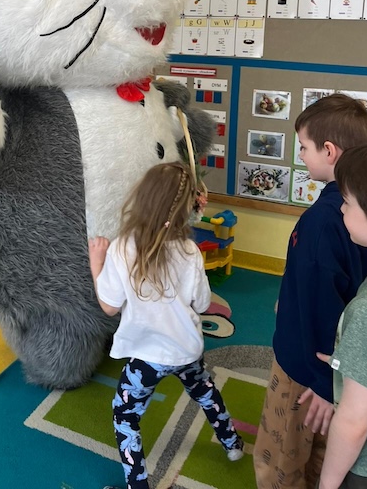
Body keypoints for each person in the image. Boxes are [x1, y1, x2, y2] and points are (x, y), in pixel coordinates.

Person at [88, 161, 244, 489]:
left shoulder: (122, 248)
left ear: (142, 197)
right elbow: (202, 305)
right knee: (205, 391)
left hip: (147, 358)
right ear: (187, 209)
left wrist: (96, 262)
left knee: (125, 416)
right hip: (186, 349)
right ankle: (233, 445)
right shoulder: (189, 251)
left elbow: (109, 306)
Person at [253, 93, 367, 489]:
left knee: (281, 459)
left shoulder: (323, 222)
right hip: (342, 375)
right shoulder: (360, 213)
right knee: (321, 453)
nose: (302, 156)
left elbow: (326, 307)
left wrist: (324, 383)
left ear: (329, 150)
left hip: (307, 372)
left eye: (304, 147)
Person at [309, 141, 367, 489]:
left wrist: (328, 484)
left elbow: (353, 422)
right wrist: (355, 357)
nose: (340, 208)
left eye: (348, 202)